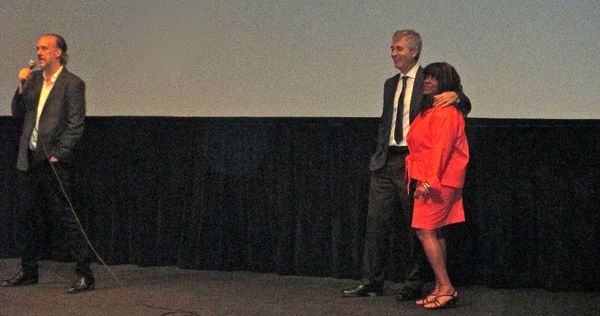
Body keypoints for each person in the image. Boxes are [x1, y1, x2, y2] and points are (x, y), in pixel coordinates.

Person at [342, 29, 470, 300]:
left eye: (399, 48)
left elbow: (460, 103)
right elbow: (387, 119)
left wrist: (458, 97)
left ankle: (415, 283)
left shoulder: (429, 80)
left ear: (414, 51)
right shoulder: (390, 83)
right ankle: (371, 281)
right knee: (376, 223)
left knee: (421, 226)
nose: (393, 53)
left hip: (415, 163)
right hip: (385, 160)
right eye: (392, 48)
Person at [1, 34, 94, 294]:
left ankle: (85, 273)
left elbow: (76, 125)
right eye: (37, 48)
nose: (39, 52)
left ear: (59, 53)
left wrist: (59, 153)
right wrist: (20, 86)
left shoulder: (72, 84)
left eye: (44, 48)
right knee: (27, 218)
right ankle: (29, 271)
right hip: (29, 159)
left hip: (52, 162)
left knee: (66, 218)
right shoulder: (32, 81)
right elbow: (18, 114)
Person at [405, 62, 469, 309]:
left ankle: (447, 286)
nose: (428, 81)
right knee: (435, 231)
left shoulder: (446, 112)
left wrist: (429, 181)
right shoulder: (431, 109)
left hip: (437, 180)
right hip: (431, 177)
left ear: (446, 83)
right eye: (426, 77)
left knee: (425, 230)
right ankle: (441, 286)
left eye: (434, 78)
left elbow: (441, 151)